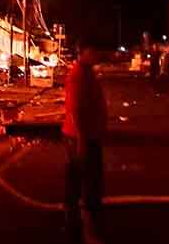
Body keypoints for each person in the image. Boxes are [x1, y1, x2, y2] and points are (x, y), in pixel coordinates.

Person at [62, 37, 107, 244]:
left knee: (82, 179)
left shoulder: (88, 73)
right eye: (94, 51)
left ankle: (75, 219)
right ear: (83, 51)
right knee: (88, 182)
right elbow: (75, 109)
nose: (97, 55)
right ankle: (85, 229)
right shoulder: (78, 75)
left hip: (88, 135)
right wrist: (81, 138)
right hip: (81, 137)